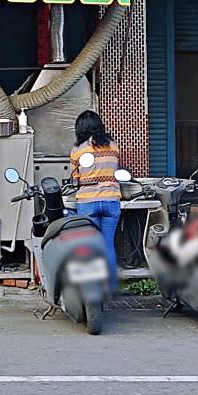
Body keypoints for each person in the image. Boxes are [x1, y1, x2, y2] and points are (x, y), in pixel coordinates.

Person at [69, 110, 122, 290]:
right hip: (111, 200)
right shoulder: (113, 146)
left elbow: (74, 178)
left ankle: (90, 287)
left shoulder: (77, 150)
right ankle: (110, 286)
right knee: (108, 244)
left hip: (87, 201)